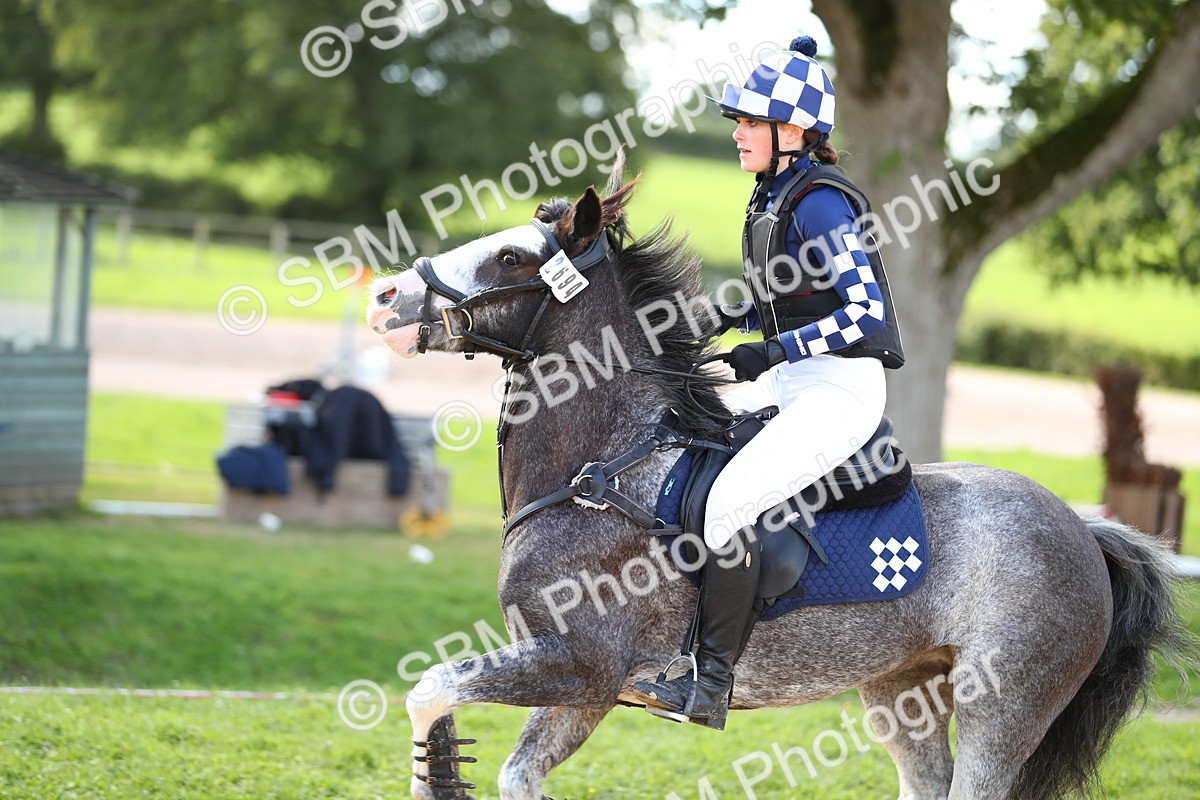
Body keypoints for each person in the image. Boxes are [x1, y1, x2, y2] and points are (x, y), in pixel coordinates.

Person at [630, 35, 905, 730]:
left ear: (793, 132)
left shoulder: (819, 204)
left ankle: (710, 684)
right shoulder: (771, 197)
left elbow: (865, 310)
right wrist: (733, 316)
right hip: (795, 379)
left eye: (750, 122)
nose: (738, 134)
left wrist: (776, 346)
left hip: (840, 391)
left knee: (728, 506)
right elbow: (794, 296)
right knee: (669, 429)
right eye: (738, 122)